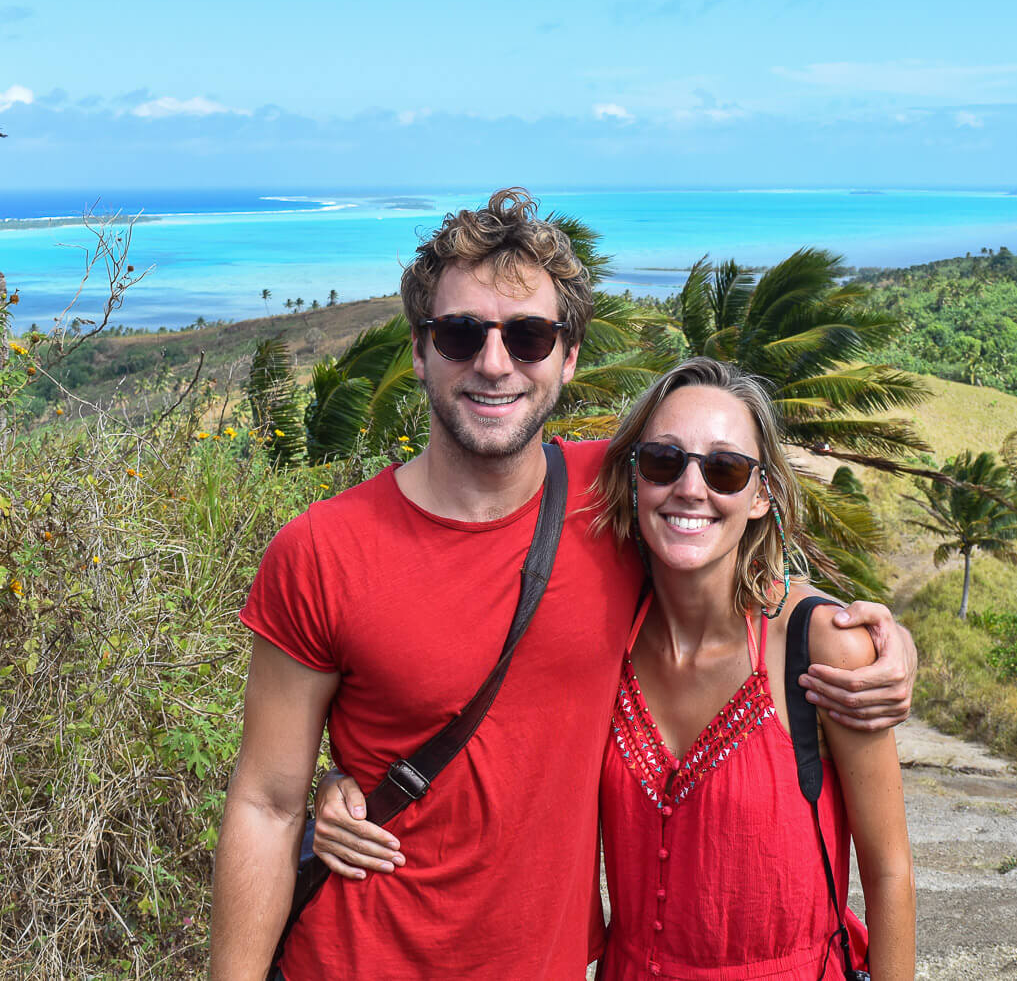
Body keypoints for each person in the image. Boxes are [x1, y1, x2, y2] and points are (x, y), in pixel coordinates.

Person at [210, 189, 917, 981]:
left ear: (568, 354)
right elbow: (266, 804)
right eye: (459, 332)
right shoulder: (321, 550)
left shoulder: (616, 499)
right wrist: (335, 790)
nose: (494, 361)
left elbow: (723, 553)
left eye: (529, 334)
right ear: (419, 348)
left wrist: (878, 641)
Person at [314, 358, 915, 980]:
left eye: (725, 469)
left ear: (762, 494)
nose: (690, 487)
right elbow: (467, 707)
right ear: (634, 478)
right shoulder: (603, 631)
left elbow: (890, 871)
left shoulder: (824, 648)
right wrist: (341, 783)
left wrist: (893, 640)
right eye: (662, 461)